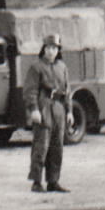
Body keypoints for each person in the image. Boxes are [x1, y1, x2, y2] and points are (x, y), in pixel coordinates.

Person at [24, 34, 71, 193]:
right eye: (48, 48)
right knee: (41, 146)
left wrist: (69, 111)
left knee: (57, 147)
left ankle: (53, 181)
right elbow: (30, 91)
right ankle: (36, 182)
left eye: (54, 48)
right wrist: (34, 109)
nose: (51, 52)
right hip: (43, 108)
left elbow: (67, 90)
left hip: (59, 109)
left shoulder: (62, 67)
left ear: (58, 50)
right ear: (43, 49)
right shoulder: (36, 67)